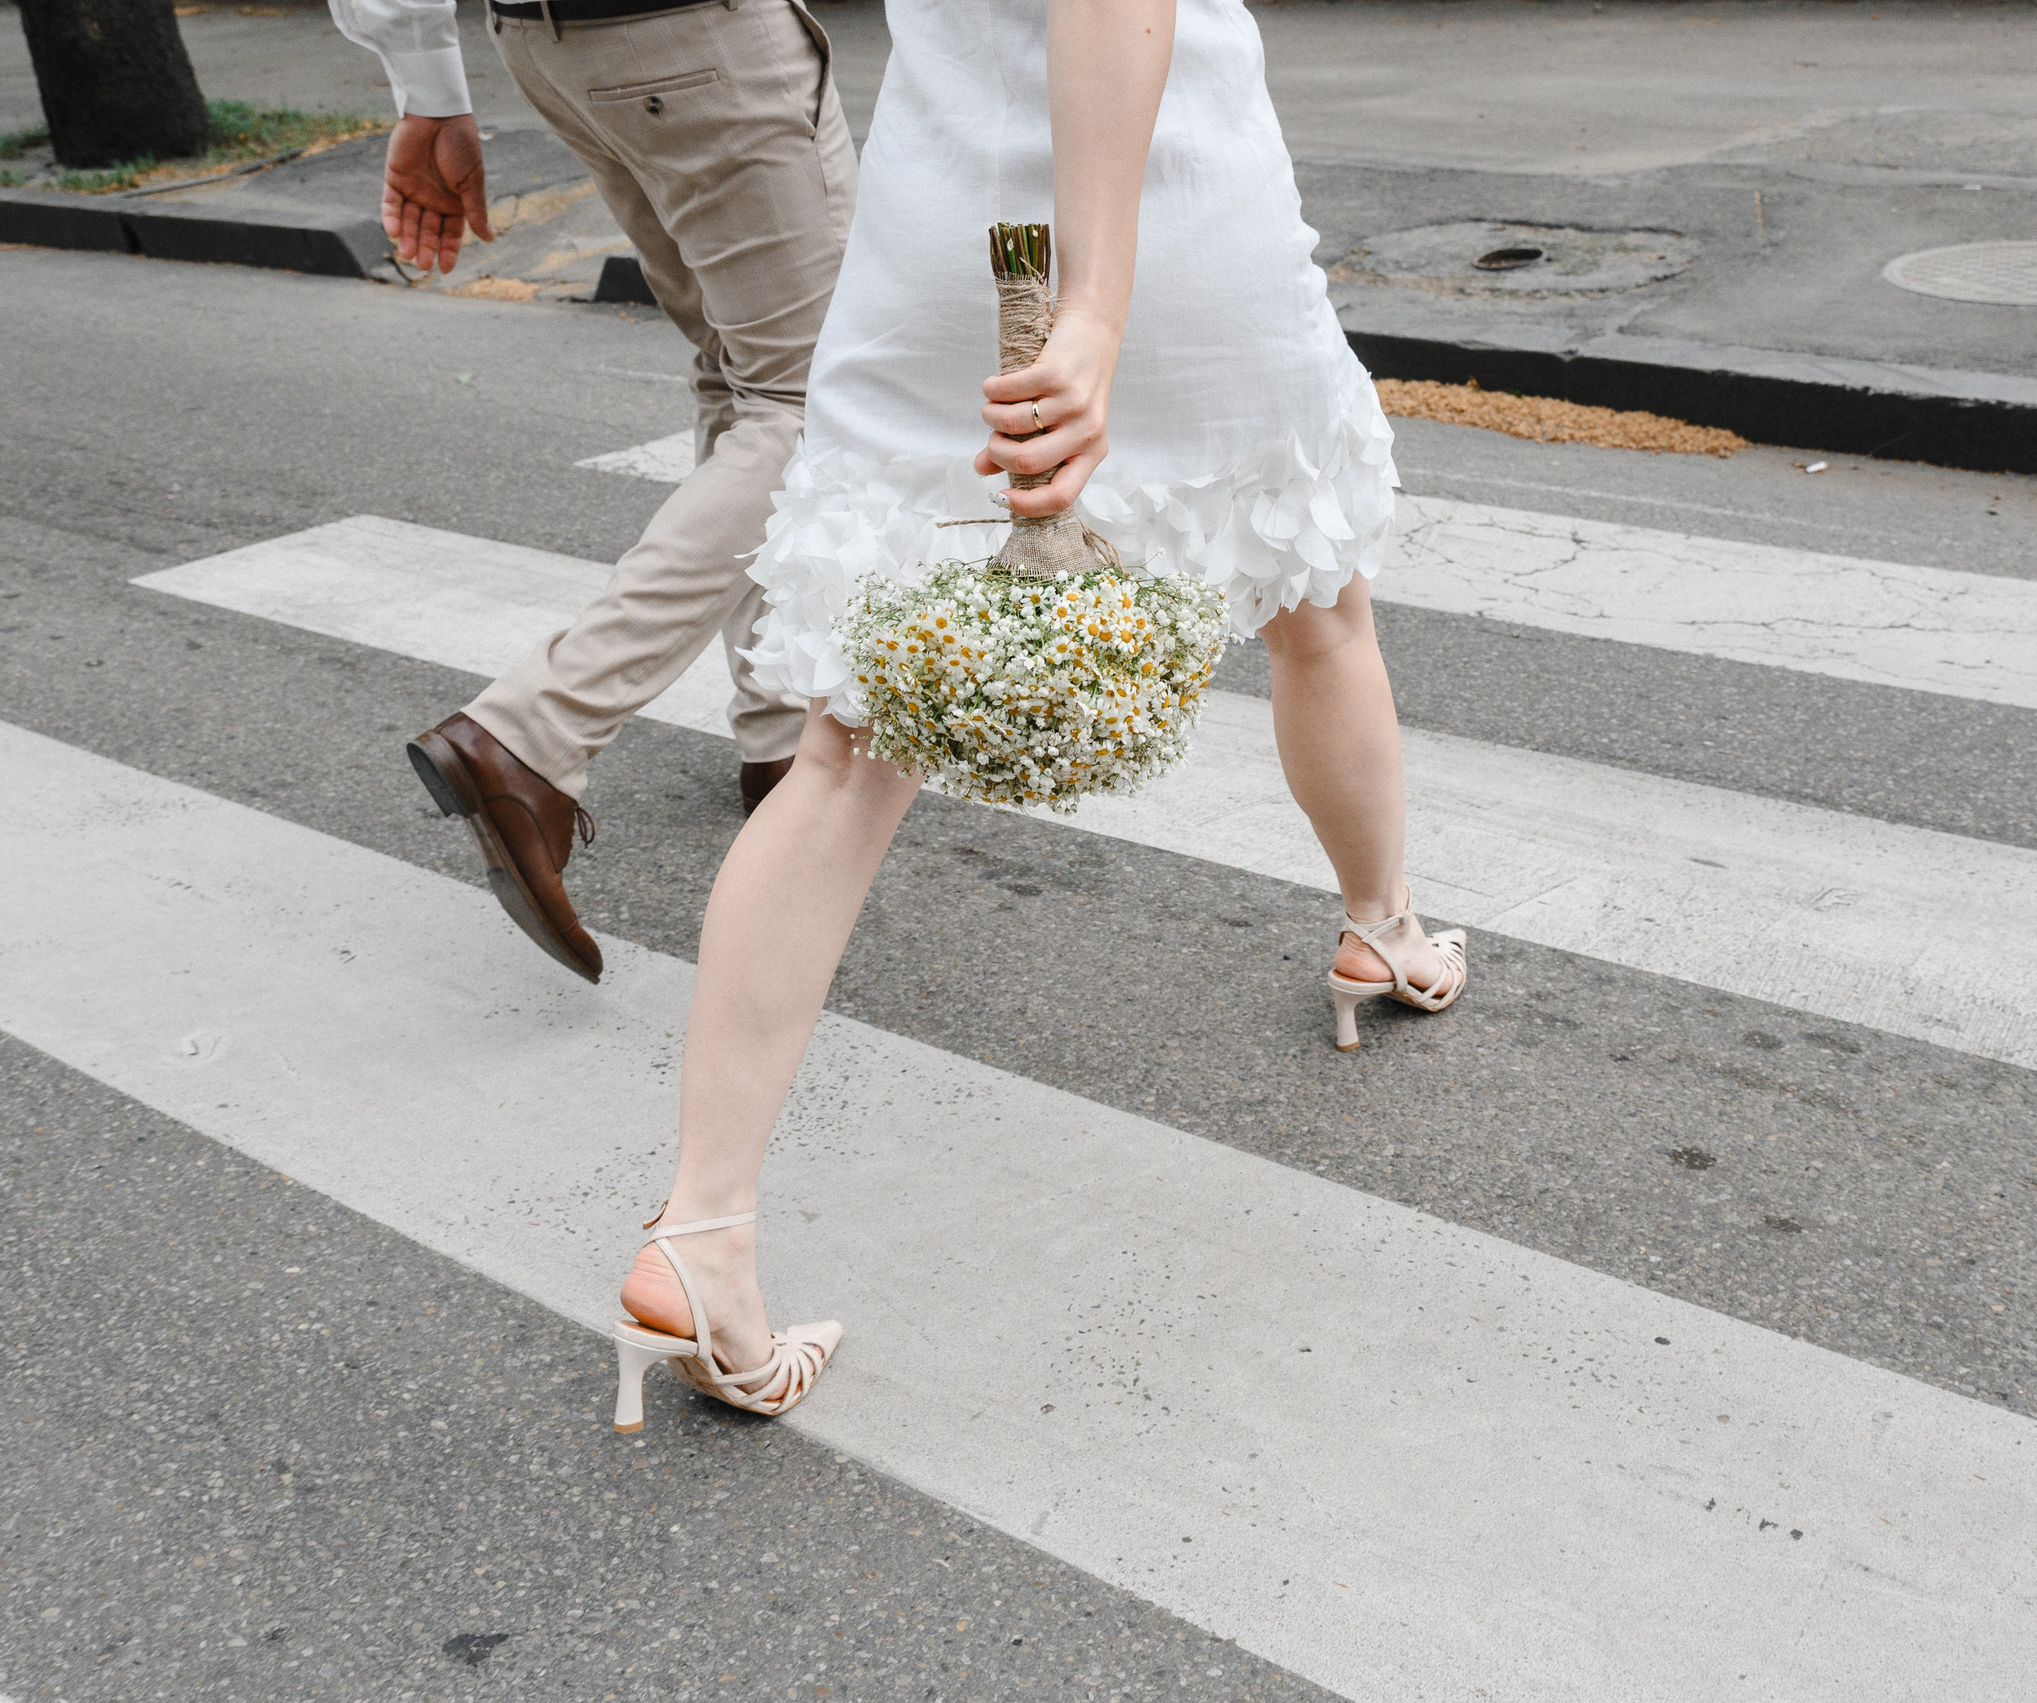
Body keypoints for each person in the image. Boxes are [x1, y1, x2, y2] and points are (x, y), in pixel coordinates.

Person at [605, 0, 1470, 1427]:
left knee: (844, 751)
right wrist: (1094, 311)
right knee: (1315, 600)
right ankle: (1381, 926)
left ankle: (702, 1228)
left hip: (943, 224)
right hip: (1167, 215)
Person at [327, 0, 857, 982]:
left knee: (741, 369)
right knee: (813, 402)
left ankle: (780, 727)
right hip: (696, 36)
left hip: (553, 44)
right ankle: (533, 732)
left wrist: (428, 87)